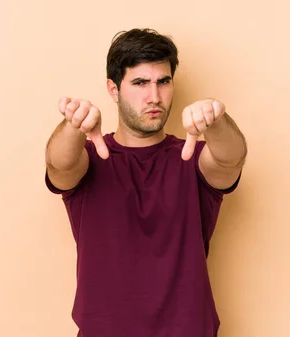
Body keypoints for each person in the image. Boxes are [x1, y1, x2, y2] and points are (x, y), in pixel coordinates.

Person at [44, 28, 247, 337]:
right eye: (140, 83)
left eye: (163, 82)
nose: (154, 96)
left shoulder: (191, 157)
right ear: (113, 90)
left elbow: (230, 159)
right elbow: (59, 165)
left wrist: (216, 122)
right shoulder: (90, 158)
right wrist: (74, 125)